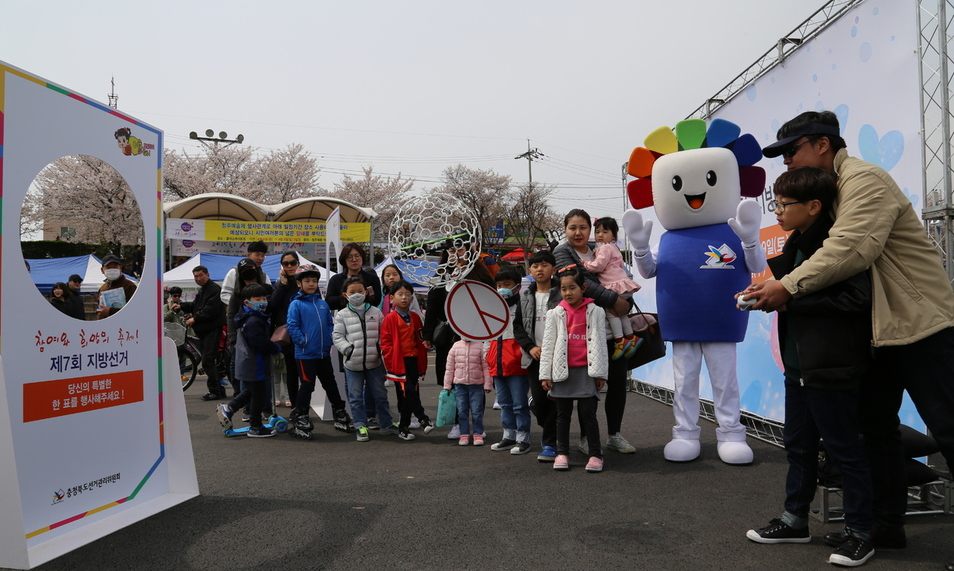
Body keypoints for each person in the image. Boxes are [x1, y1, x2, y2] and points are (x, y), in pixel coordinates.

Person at [746, 110, 954, 551]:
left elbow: (852, 248)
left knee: (948, 427)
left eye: (791, 151)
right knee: (877, 432)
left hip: (921, 327)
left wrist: (786, 286)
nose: (786, 162)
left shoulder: (862, 180)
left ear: (822, 145)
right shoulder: (829, 191)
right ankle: (884, 525)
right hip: (877, 333)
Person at [744, 168, 875, 567]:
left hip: (832, 365)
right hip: (798, 366)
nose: (778, 212)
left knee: (844, 451)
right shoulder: (798, 242)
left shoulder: (839, 244)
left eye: (783, 205)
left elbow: (855, 301)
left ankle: (861, 534)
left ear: (814, 206)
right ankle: (794, 520)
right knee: (798, 445)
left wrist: (788, 301)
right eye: (776, 204)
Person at [553, 209, 635, 455]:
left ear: (590, 229)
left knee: (618, 383)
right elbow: (580, 283)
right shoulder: (562, 252)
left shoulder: (599, 249)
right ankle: (586, 437)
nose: (578, 232)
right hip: (582, 332)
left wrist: (625, 302)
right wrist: (615, 300)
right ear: (565, 230)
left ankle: (614, 434)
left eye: (583, 227)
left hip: (612, 330)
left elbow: (623, 275)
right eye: (572, 228)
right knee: (587, 389)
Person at [422, 239, 495, 440]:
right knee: (453, 379)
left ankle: (477, 424)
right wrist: (427, 335)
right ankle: (458, 422)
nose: (456, 254)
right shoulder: (441, 277)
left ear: (469, 251)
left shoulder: (480, 275)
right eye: (452, 250)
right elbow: (432, 308)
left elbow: (491, 301)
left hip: (475, 334)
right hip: (448, 338)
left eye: (460, 249)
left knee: (477, 379)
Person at [539, 266, 609, 473]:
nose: (568, 293)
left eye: (572, 288)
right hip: (562, 372)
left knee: (588, 414)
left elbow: (600, 344)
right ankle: (562, 453)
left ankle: (595, 454)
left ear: (583, 288)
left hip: (586, 371)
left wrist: (601, 373)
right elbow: (548, 344)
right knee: (562, 415)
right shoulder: (555, 313)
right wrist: (545, 374)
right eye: (564, 289)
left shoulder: (596, 311)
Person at [286, 264, 351, 440]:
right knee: (307, 386)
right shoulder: (296, 304)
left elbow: (330, 324)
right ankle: (301, 416)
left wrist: (329, 340)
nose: (311, 284)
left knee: (330, 383)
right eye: (307, 280)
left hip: (323, 353)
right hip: (305, 355)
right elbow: (292, 326)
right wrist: (303, 341)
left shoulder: (322, 304)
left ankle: (339, 413)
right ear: (299, 283)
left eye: (314, 280)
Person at [332, 276, 395, 442]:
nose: (357, 294)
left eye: (360, 291)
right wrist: (348, 349)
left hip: (375, 363)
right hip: (352, 364)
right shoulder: (342, 315)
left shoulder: (376, 312)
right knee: (355, 397)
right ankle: (360, 425)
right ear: (345, 294)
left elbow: (384, 334)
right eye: (352, 292)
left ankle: (386, 424)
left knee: (380, 395)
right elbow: (337, 336)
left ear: (366, 292)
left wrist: (381, 350)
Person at [215, 284, 282, 438]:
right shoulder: (253, 320)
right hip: (254, 363)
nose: (263, 301)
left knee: (251, 392)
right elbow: (259, 343)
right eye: (258, 299)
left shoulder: (248, 317)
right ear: (247, 302)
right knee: (258, 395)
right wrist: (275, 347)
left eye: (264, 298)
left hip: (248, 363)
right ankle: (255, 426)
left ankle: (230, 409)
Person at [513, 250, 562, 462]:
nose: (539, 269)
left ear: (553, 268)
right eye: (535, 266)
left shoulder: (562, 294)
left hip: (558, 356)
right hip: (534, 358)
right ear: (530, 270)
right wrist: (530, 347)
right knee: (541, 403)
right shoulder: (525, 296)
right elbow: (518, 328)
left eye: (544, 264)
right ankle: (552, 434)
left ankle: (550, 443)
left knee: (558, 401)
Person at [581, 217, 641, 360]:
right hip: (623, 284)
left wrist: (585, 264)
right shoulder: (614, 247)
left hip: (613, 285)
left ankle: (620, 341)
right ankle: (631, 338)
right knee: (622, 313)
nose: (600, 235)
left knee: (611, 313)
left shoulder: (605, 248)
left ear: (613, 235)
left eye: (605, 231)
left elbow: (599, 266)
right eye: (597, 231)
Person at [381, 280, 435, 441]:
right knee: (408, 391)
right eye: (400, 294)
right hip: (399, 361)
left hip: (413, 361)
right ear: (392, 298)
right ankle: (423, 418)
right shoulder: (390, 319)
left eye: (408, 295)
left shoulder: (415, 317)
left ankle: (403, 428)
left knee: (408, 395)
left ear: (412, 298)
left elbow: (419, 339)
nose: (404, 298)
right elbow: (385, 343)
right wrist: (392, 359)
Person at [487, 268, 533, 455]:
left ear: (517, 286)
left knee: (519, 404)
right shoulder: (491, 309)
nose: (502, 289)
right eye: (499, 285)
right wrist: (487, 357)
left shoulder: (523, 306)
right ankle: (508, 435)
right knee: (504, 403)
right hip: (496, 362)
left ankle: (523, 438)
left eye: (506, 284)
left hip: (517, 363)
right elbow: (486, 336)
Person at [225, 258, 270, 401]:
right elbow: (231, 315)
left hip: (263, 337)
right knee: (244, 375)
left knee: (263, 375)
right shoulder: (237, 294)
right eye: (245, 274)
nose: (249, 277)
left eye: (252, 273)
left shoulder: (266, 289)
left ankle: (261, 407)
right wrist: (232, 339)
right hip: (243, 340)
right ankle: (243, 404)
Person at [180, 265, 227, 401]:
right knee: (210, 361)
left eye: (201, 275)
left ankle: (215, 391)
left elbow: (210, 310)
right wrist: (181, 305)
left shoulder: (214, 289)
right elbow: (195, 306)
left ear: (207, 274)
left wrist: (195, 318)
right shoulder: (203, 290)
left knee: (208, 360)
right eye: (196, 276)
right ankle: (219, 390)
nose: (198, 278)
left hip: (213, 330)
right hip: (204, 331)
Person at [444, 337, 492, 446]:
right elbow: (449, 368)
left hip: (477, 385)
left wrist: (487, 383)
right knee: (462, 411)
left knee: (477, 411)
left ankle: (478, 433)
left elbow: (486, 367)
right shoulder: (455, 346)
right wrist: (447, 384)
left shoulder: (480, 346)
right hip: (460, 385)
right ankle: (464, 434)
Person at [270, 251, 302, 408]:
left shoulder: (305, 281)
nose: (289, 266)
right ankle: (296, 406)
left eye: (292, 263)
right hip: (287, 336)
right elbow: (273, 306)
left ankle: (303, 405)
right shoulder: (279, 284)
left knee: (305, 373)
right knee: (290, 372)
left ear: (298, 263)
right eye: (285, 264)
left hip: (304, 334)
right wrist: (282, 284)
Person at [325, 243, 382, 310]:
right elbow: (329, 302)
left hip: (367, 317)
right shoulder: (336, 279)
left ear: (362, 257)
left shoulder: (372, 278)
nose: (354, 259)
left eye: (357, 256)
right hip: (344, 318)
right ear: (344, 260)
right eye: (350, 257)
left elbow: (376, 301)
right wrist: (345, 297)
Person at [220, 241, 270, 306]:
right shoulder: (234, 272)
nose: (260, 258)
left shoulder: (264, 276)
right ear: (248, 255)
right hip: (236, 313)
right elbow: (225, 294)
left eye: (263, 256)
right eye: (257, 255)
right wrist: (242, 305)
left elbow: (269, 296)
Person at [96, 254, 137, 319]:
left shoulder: (130, 286)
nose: (112, 270)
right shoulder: (102, 289)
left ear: (120, 268)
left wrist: (110, 311)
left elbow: (135, 311)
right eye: (108, 267)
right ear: (102, 270)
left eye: (115, 267)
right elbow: (99, 310)